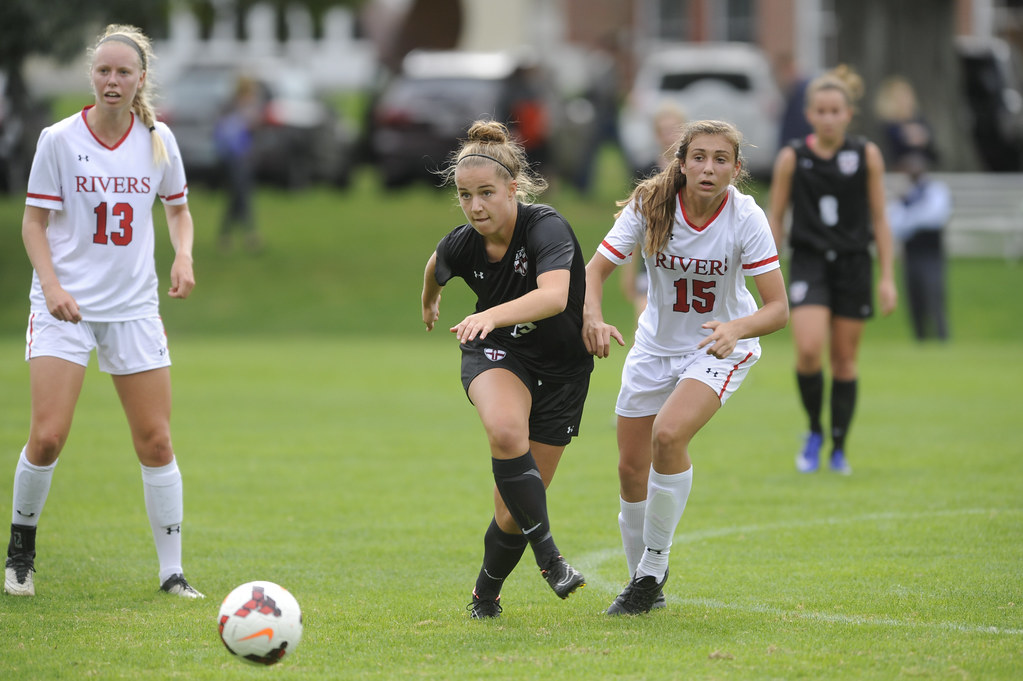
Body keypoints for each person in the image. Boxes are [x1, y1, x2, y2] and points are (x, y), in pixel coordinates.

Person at [4, 25, 202, 599]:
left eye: (123, 72)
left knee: (157, 442)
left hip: (133, 309)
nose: (112, 80)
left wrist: (183, 256)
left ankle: (172, 572)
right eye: (103, 71)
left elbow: (179, 210)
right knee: (47, 437)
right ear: (92, 77)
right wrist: (51, 284)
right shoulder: (59, 140)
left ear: (141, 79)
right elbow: (33, 224)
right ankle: (21, 551)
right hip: (64, 307)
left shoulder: (158, 138)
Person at [583, 119, 789, 615]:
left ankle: (653, 566)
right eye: (698, 156)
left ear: (736, 170)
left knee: (669, 436)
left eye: (721, 159)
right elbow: (594, 271)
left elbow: (777, 309)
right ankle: (643, 586)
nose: (708, 167)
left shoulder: (746, 217)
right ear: (681, 162)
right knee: (630, 471)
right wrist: (591, 316)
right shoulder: (650, 204)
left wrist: (735, 329)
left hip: (715, 348)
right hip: (653, 349)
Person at [421, 120, 592, 619]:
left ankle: (484, 596)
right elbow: (435, 265)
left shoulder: (546, 226)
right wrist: (430, 302)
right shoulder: (462, 242)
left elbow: (554, 297)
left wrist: (489, 312)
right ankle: (551, 560)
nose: (475, 207)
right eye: (465, 195)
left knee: (510, 511)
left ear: (513, 189)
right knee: (502, 429)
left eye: (487, 194)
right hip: (498, 352)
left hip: (562, 370)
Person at [767, 65, 898, 476]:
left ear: (848, 114)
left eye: (834, 110)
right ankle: (814, 431)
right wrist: (764, 268)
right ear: (809, 114)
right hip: (809, 262)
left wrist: (888, 277)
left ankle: (839, 447)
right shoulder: (793, 157)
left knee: (844, 360)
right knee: (808, 350)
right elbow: (775, 217)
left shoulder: (865, 155)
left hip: (854, 265)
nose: (827, 117)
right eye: (820, 110)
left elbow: (880, 218)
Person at [621, 102, 688, 324]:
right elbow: (635, 223)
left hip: (686, 259)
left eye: (674, 129)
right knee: (644, 326)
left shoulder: (695, 172)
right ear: (656, 134)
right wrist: (628, 271)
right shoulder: (645, 171)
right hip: (651, 259)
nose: (669, 136)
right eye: (663, 130)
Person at [886, 152, 950, 341]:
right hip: (910, 256)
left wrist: (909, 218)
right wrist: (913, 217)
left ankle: (941, 338)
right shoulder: (905, 194)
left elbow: (934, 217)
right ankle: (920, 340)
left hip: (932, 256)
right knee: (914, 301)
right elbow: (893, 224)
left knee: (934, 299)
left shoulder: (936, 190)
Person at [214, 74, 262, 253]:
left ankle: (225, 236)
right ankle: (251, 235)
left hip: (245, 156)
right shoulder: (233, 106)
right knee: (241, 195)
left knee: (237, 196)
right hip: (234, 157)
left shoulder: (245, 106)